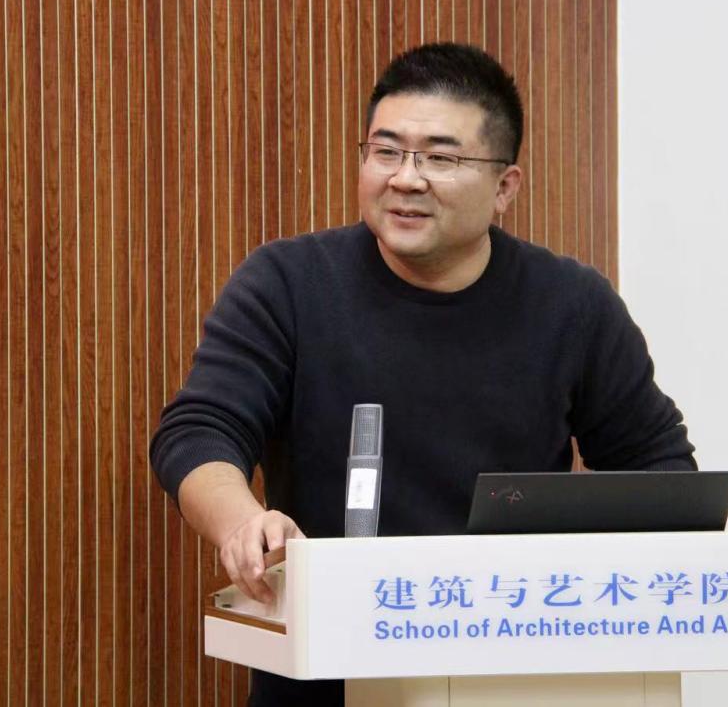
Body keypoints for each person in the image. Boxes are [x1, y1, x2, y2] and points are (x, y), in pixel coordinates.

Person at [150, 42, 696, 706]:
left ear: (505, 188)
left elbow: (662, 476)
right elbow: (200, 429)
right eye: (386, 151)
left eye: (441, 158)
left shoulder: (571, 304)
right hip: (331, 671)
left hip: (514, 671)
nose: (406, 179)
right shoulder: (289, 283)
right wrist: (242, 522)